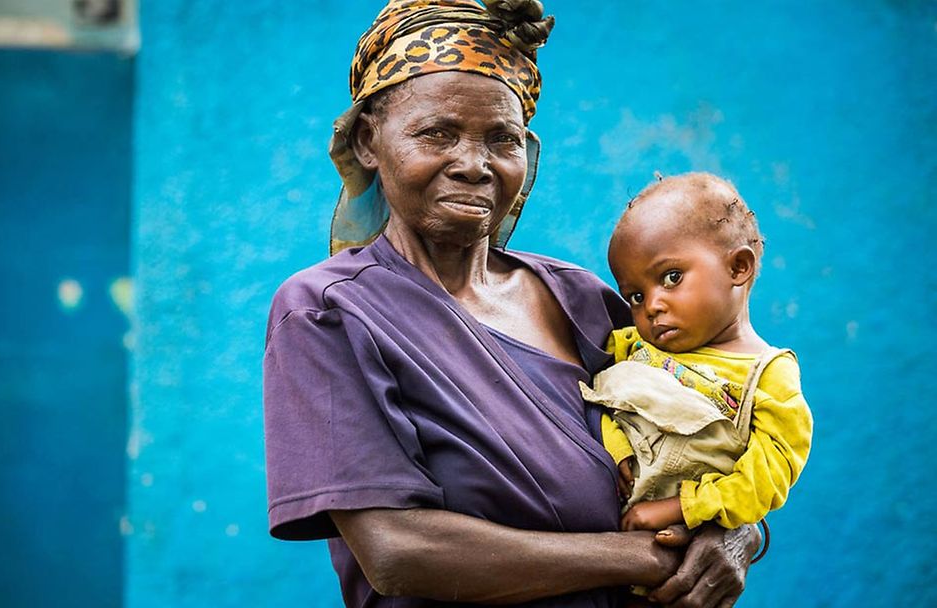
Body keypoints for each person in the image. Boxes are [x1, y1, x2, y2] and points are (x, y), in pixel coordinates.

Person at [263, 2, 760, 606]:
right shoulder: (329, 312)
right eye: (436, 133)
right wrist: (643, 557)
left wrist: (738, 534)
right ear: (369, 141)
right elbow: (396, 551)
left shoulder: (582, 301)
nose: (474, 165)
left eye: (501, 139)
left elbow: (715, 437)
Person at [579, 173, 813, 605]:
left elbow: (767, 480)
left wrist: (684, 507)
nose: (652, 306)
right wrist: (618, 450)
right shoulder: (631, 347)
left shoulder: (766, 376)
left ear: (737, 267)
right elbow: (604, 403)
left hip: (674, 574)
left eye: (670, 277)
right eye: (634, 295)